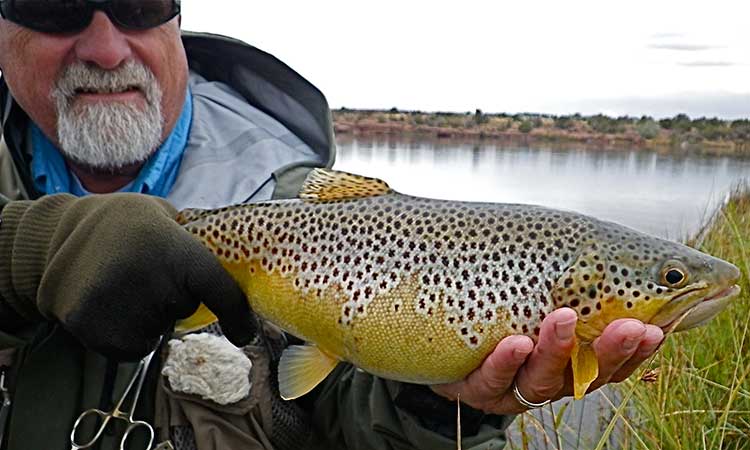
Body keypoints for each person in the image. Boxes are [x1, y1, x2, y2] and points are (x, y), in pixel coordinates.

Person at [0, 2, 664, 449]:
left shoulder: (301, 209)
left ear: (176, 20)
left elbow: (345, 412)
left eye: (139, 3)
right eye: (55, 5)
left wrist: (438, 406)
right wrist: (24, 254)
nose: (106, 45)